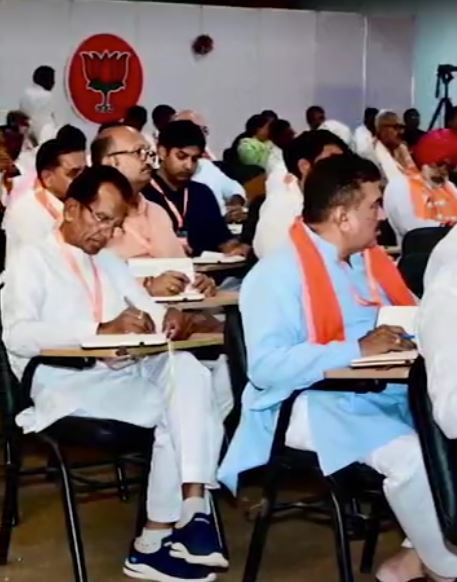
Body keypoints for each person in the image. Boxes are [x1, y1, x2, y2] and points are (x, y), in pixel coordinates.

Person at [220, 153, 457, 582]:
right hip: (307, 405)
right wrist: (356, 349)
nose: (382, 216)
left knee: (449, 434)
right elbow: (267, 368)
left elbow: (420, 319)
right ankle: (447, 567)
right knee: (414, 459)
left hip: (378, 393)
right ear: (343, 216)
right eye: (374, 205)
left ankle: (416, 554)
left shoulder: (372, 264)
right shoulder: (276, 273)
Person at [2, 165, 227, 582]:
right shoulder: (30, 260)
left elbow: (146, 308)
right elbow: (17, 335)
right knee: (180, 407)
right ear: (72, 208)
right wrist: (98, 329)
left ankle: (191, 508)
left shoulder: (107, 261)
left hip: (119, 373)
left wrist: (170, 318)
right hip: (63, 381)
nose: (106, 233)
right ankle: (157, 538)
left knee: (187, 370)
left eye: (115, 225)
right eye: (101, 218)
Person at [91, 124, 217, 298]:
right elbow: (87, 281)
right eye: (138, 152)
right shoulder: (89, 215)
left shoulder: (156, 212)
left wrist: (198, 281)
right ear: (110, 161)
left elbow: (181, 269)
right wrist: (145, 287)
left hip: (176, 309)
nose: (148, 160)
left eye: (149, 153)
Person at [144, 120, 250, 258]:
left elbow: (223, 240)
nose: (188, 166)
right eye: (181, 157)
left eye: (194, 159)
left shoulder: (202, 193)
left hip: (208, 269)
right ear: (162, 152)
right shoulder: (143, 193)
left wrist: (238, 248)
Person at [253, 130, 347, 259]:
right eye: (332, 161)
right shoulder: (279, 208)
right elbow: (276, 261)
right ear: (304, 166)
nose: (340, 169)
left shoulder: (344, 197)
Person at [2, 138, 86, 263]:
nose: (84, 179)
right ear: (48, 178)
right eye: (73, 174)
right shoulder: (26, 212)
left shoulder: (84, 201)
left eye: (85, 172)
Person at [173, 111, 246, 216]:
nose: (201, 135)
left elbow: (235, 189)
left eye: (204, 130)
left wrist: (235, 204)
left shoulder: (206, 166)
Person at [384, 153, 457, 244]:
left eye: (447, 166)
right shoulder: (400, 186)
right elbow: (415, 231)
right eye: (438, 164)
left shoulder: (450, 187)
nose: (443, 170)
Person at [372, 110, 417, 181]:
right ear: (382, 130)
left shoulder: (401, 148)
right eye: (396, 127)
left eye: (402, 127)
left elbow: (415, 175)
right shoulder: (373, 154)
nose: (402, 132)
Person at [19, 65, 57, 145]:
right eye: (52, 79)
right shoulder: (47, 96)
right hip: (43, 136)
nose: (54, 83)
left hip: (26, 136)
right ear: (46, 79)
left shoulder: (26, 93)